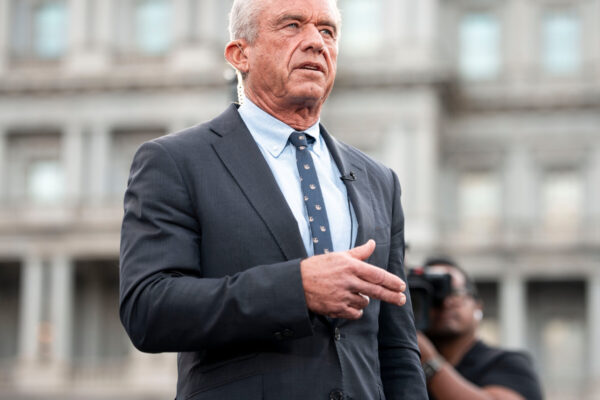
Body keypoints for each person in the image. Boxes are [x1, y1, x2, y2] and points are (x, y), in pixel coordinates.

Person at [119, 0, 427, 399]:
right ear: (240, 54)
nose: (316, 42)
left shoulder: (379, 181)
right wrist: (296, 289)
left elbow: (397, 346)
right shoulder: (176, 161)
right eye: (292, 25)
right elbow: (148, 308)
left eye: (328, 31)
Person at [416, 257, 543, 400]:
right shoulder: (406, 364)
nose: (445, 302)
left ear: (478, 306)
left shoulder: (506, 363)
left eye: (455, 293)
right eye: (433, 294)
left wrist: (430, 364)